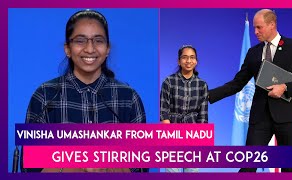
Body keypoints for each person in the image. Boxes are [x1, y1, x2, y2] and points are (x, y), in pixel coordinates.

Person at [22, 9, 146, 173]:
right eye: (80, 41)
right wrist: (75, 165)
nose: (90, 49)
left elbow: (140, 168)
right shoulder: (45, 96)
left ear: (108, 48)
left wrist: (108, 164)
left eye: (98, 41)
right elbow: (30, 168)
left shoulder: (129, 98)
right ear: (67, 48)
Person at [208, 9, 292, 172]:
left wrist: (285, 87)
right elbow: (237, 83)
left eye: (259, 27)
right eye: (254, 28)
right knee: (248, 165)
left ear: (272, 25)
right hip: (260, 118)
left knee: (288, 168)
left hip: (287, 117)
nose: (255, 32)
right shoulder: (253, 52)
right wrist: (208, 95)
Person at [160, 45, 208, 172]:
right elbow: (163, 110)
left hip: (193, 133)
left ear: (196, 61)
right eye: (185, 57)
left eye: (192, 57)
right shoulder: (169, 82)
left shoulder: (202, 85)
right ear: (179, 61)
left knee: (192, 172)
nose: (188, 61)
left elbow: (203, 115)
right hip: (172, 130)